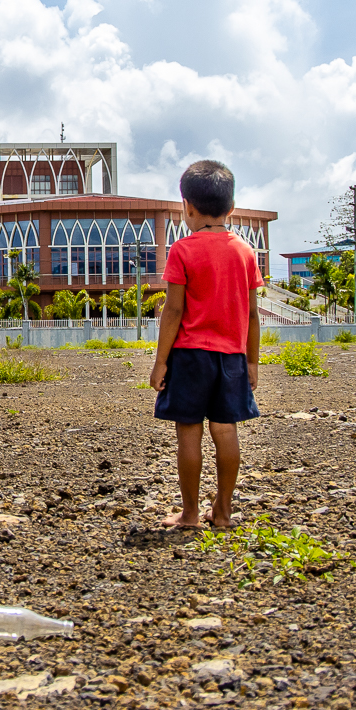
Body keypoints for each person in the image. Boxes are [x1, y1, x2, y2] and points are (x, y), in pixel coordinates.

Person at [149, 159, 261, 530]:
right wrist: (252, 362)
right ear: (231, 208)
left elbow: (173, 310)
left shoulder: (182, 250)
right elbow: (253, 315)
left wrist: (160, 362)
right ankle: (224, 512)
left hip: (190, 357)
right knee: (226, 431)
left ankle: (190, 514)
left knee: (189, 433)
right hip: (232, 358)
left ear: (187, 207)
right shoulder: (245, 253)